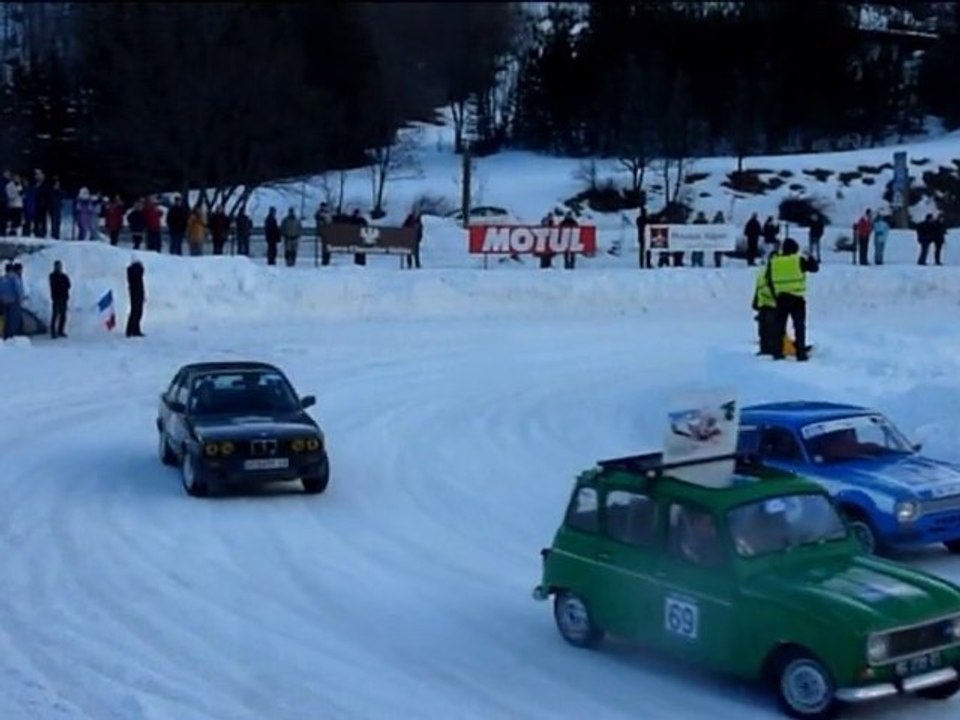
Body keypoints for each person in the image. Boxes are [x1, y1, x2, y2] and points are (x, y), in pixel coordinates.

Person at [767, 237, 819, 362]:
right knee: (799, 327)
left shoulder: (774, 262)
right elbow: (814, 268)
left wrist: (775, 294)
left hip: (781, 298)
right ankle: (801, 353)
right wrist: (810, 257)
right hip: (796, 298)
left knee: (779, 326)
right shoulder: (798, 260)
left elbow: (769, 280)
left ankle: (777, 352)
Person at [752, 259, 778, 356]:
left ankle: (767, 348)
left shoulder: (762, 274)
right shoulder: (769, 273)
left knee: (766, 329)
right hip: (769, 305)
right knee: (768, 329)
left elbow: (758, 289)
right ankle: (769, 348)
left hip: (767, 305)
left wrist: (755, 303)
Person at [48, 259, 71, 338]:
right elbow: (56, 285)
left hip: (64, 298)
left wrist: (63, 283)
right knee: (55, 315)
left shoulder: (63, 275)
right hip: (56, 298)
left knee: (63, 316)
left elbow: (68, 285)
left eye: (60, 266)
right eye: (58, 266)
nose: (59, 268)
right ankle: (53, 332)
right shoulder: (52, 276)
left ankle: (60, 330)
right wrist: (63, 284)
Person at [125, 258, 145, 337]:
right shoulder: (134, 273)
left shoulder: (135, 274)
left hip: (137, 293)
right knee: (135, 312)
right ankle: (131, 330)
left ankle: (135, 329)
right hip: (135, 293)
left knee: (137, 312)